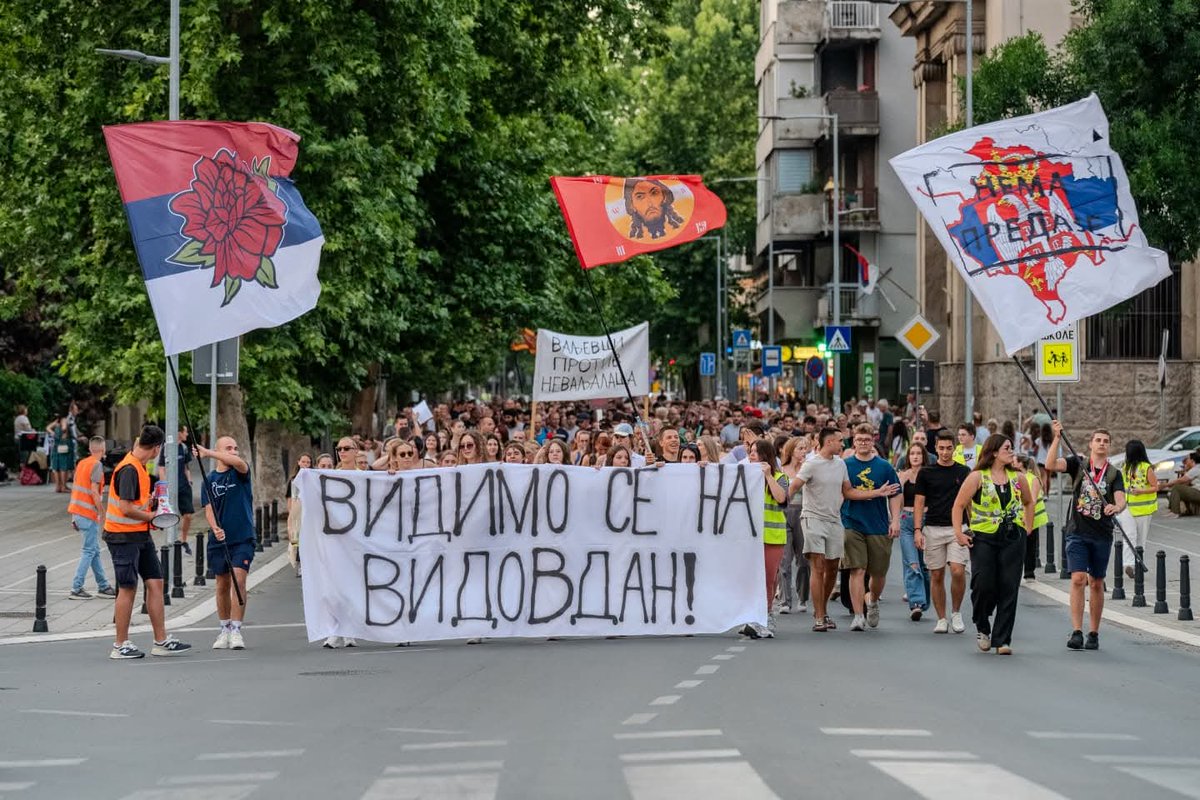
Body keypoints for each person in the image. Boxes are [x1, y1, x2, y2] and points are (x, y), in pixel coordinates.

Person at [792, 428, 896, 632]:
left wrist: (877, 492)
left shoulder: (840, 465)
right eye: (840, 441)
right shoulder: (811, 463)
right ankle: (819, 617)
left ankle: (822, 611)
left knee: (832, 568)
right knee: (818, 566)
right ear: (829, 442)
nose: (843, 444)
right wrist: (781, 499)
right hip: (813, 518)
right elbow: (795, 485)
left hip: (834, 520)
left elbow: (848, 492)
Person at [103, 426, 192, 659]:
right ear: (156, 448)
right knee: (127, 588)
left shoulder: (139, 466)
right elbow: (125, 508)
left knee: (156, 582)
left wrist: (151, 504)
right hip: (122, 536)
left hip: (140, 535)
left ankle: (161, 641)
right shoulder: (129, 469)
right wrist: (152, 516)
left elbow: (135, 504)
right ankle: (120, 645)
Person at [1045, 420, 1126, 651]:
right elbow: (1050, 464)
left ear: (1109, 446)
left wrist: (1116, 507)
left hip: (1101, 534)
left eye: (1105, 441)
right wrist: (1057, 438)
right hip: (1077, 532)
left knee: (1097, 582)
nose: (1101, 444)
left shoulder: (1113, 473)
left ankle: (1094, 632)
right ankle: (1077, 631)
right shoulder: (1078, 464)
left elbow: (1121, 499)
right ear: (1090, 444)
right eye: (1098, 440)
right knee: (1078, 578)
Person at [952, 434, 1034, 654]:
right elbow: (959, 505)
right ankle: (982, 625)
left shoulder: (1018, 477)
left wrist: (1027, 526)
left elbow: (1028, 502)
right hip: (984, 537)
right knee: (983, 582)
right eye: (1007, 448)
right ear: (995, 452)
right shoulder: (977, 477)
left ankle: (1002, 640)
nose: (1012, 451)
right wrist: (959, 532)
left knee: (1009, 586)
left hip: (1012, 537)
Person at [841, 424, 903, 631]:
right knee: (857, 569)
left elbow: (895, 493)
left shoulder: (884, 467)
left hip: (877, 524)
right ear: (854, 442)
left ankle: (873, 601)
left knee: (878, 573)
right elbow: (842, 491)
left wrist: (895, 520)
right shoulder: (845, 465)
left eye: (867, 440)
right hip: (851, 522)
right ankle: (858, 615)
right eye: (859, 440)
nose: (863, 443)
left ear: (873, 441)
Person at [198, 436, 254, 651]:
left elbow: (239, 462)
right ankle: (225, 628)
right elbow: (209, 508)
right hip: (219, 541)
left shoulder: (240, 472)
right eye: (228, 448)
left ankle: (237, 630)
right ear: (219, 449)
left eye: (235, 448)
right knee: (222, 584)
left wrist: (207, 453)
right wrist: (215, 528)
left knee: (239, 580)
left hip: (242, 537)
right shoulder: (209, 479)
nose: (234, 451)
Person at [913, 430, 972, 634]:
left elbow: (969, 502)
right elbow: (919, 502)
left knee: (957, 570)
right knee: (936, 574)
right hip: (933, 528)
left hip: (958, 528)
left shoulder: (963, 471)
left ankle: (956, 612)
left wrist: (973, 526)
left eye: (948, 448)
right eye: (941, 448)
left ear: (954, 448)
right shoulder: (926, 473)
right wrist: (917, 530)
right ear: (935, 449)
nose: (945, 452)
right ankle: (941, 618)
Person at [742, 439, 788, 639]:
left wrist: (768, 476)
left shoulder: (780, 477)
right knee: (750, 579)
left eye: (756, 451)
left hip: (772, 537)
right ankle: (752, 617)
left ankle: (765, 617)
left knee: (768, 579)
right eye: (750, 451)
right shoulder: (744, 476)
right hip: (749, 538)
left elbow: (781, 498)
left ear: (766, 455)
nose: (751, 455)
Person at [67, 436, 116, 600]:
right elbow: (94, 492)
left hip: (79, 513)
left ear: (90, 449)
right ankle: (76, 588)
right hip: (88, 514)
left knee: (94, 551)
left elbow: (76, 489)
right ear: (103, 450)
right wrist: (102, 512)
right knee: (89, 551)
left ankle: (103, 586)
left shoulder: (82, 464)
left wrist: (74, 516)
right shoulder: (97, 465)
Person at [778, 435, 811, 615]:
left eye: (805, 448)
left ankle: (803, 596)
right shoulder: (781, 469)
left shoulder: (808, 469)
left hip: (803, 513)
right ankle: (785, 600)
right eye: (800, 448)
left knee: (804, 560)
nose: (803, 452)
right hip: (784, 513)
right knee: (784, 560)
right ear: (791, 451)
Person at [897, 442, 930, 621]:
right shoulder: (903, 475)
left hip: (926, 521)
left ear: (923, 456)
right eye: (912, 453)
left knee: (924, 565)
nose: (915, 456)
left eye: (918, 453)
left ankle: (924, 600)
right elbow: (897, 501)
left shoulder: (929, 475)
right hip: (907, 521)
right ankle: (916, 603)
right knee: (912, 562)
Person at [157, 425, 195, 555]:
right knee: (170, 516)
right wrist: (164, 486)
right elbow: (161, 467)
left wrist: (189, 480)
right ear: (179, 432)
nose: (187, 434)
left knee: (188, 515)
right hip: (170, 487)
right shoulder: (166, 448)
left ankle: (183, 540)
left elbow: (186, 467)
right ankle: (169, 541)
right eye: (185, 432)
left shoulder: (183, 448)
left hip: (184, 486)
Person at [1013, 455, 1049, 580]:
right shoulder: (1015, 477)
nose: (1012, 463)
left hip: (1032, 517)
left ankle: (1029, 572)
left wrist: (1027, 517)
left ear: (1020, 463)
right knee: (1017, 546)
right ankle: (1017, 571)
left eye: (1014, 461)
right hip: (1018, 517)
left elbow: (1032, 501)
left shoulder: (1033, 479)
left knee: (1030, 545)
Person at [1163, 450, 1200, 519]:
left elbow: (1182, 480)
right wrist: (1186, 469)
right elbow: (1186, 483)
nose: (1186, 461)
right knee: (1182, 489)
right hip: (1196, 491)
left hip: (1198, 492)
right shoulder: (1194, 468)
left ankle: (1175, 512)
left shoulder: (1196, 469)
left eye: (1187, 459)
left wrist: (1165, 485)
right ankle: (1187, 510)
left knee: (1177, 488)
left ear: (1192, 460)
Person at [47, 416, 75, 493]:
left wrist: (54, 425)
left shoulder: (56, 427)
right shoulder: (64, 422)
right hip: (64, 448)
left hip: (56, 448)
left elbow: (48, 428)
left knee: (56, 467)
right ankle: (63, 486)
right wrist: (65, 423)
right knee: (63, 467)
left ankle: (58, 487)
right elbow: (64, 429)